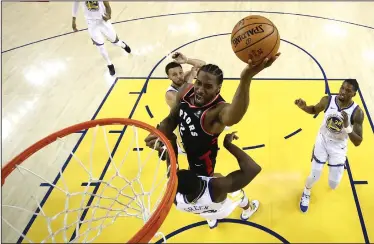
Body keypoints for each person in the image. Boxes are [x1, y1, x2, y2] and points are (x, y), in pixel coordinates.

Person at [145, 53, 281, 177]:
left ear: (218, 89)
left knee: (206, 188)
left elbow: (235, 115)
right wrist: (160, 134)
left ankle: (239, 198)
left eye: (208, 86)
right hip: (186, 144)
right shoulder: (185, 91)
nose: (199, 90)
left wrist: (246, 78)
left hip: (202, 159)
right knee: (174, 176)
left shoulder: (217, 110)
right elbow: (172, 118)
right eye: (198, 83)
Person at [295, 79, 364, 212]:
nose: (343, 92)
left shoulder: (357, 113)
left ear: (354, 94)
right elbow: (314, 109)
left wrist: (347, 126)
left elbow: (358, 142)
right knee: (314, 175)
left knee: (333, 184)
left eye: (348, 90)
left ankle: (338, 163)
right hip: (323, 141)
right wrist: (304, 107)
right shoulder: (328, 100)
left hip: (338, 146)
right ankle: (306, 192)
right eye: (342, 88)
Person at [174, 132, 262, 229]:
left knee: (204, 210)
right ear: (197, 177)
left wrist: (167, 147)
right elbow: (253, 169)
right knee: (239, 194)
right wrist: (228, 145)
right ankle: (248, 210)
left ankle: (211, 221)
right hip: (223, 210)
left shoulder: (176, 200)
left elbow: (172, 172)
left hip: (205, 213)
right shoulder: (217, 186)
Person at [72, 1, 131, 76]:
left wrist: (109, 15)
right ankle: (110, 64)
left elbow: (107, 6)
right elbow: (75, 3)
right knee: (100, 47)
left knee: (116, 43)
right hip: (91, 24)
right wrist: (73, 19)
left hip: (103, 21)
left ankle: (123, 45)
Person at [164, 52, 206, 155]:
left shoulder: (186, 77)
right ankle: (178, 147)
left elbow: (203, 65)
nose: (179, 76)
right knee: (188, 150)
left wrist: (187, 60)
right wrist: (191, 78)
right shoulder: (170, 94)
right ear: (168, 77)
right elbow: (185, 105)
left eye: (180, 72)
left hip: (194, 115)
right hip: (183, 122)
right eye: (174, 75)